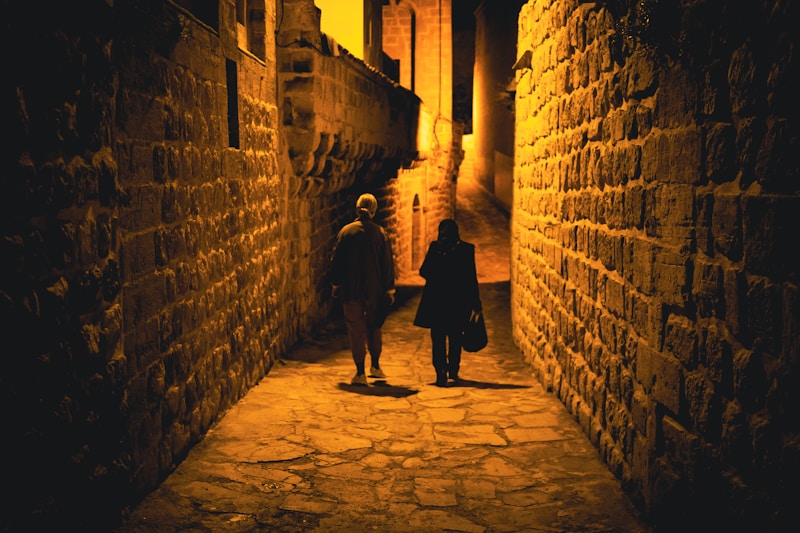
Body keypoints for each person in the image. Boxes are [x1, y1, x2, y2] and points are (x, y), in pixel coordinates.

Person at [329, 193, 396, 385]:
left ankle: (360, 372)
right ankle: (375, 365)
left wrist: (336, 284)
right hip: (374, 290)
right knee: (374, 325)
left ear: (357, 209)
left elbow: (337, 261)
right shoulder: (380, 234)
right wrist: (389, 289)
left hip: (350, 289)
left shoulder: (346, 232)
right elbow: (387, 264)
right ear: (374, 211)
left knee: (355, 328)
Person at [413, 218, 481, 386]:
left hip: (437, 301)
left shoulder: (435, 248)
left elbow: (424, 271)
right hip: (458, 301)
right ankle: (453, 368)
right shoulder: (466, 250)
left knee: (438, 337)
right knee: (455, 336)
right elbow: (471, 278)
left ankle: (440, 371)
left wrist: (438, 277)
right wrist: (475, 303)